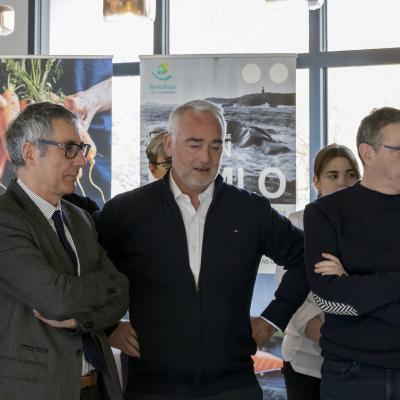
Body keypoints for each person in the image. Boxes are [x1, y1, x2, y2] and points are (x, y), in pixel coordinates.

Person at [95, 99, 309, 400]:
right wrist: (107, 327)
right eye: (194, 145)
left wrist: (273, 319)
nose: (206, 158)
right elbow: (82, 266)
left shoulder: (250, 210)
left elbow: (305, 257)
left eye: (215, 146)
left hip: (233, 386)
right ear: (169, 144)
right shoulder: (126, 211)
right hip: (151, 387)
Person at [0, 102, 129, 400]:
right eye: (69, 148)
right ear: (30, 153)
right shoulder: (5, 219)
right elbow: (58, 300)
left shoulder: (79, 217)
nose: (81, 160)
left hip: (98, 386)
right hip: (38, 391)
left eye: (81, 148)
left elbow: (122, 293)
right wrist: (105, 285)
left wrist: (79, 320)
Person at [304, 107, 400, 400]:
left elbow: (343, 295)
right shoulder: (325, 213)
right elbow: (328, 298)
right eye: (398, 150)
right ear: (367, 153)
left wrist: (351, 283)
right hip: (351, 374)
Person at [276, 144, 360, 400]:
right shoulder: (297, 224)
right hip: (306, 361)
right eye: (333, 176)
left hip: (358, 360)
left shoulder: (368, 227)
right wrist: (336, 342)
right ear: (317, 182)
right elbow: (292, 299)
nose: (343, 182)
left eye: (350, 175)